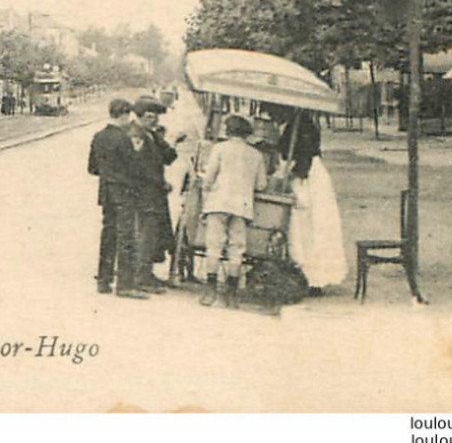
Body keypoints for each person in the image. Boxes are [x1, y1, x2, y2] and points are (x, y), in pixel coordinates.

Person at [197, 114, 269, 308]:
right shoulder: (256, 155)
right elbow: (262, 185)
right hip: (242, 206)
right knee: (237, 250)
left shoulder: (219, 149)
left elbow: (208, 177)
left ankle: (210, 292)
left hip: (218, 203)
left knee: (214, 247)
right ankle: (232, 295)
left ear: (228, 131)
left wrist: (206, 188)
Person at [279, 111, 346, 293]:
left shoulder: (302, 126)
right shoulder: (296, 124)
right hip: (305, 176)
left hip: (309, 179)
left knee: (310, 226)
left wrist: (290, 174)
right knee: (305, 227)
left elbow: (305, 158)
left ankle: (314, 279)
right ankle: (307, 275)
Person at [88, 98, 137, 294]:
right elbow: (133, 168)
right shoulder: (124, 139)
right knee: (125, 237)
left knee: (108, 235)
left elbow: (92, 168)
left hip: (106, 192)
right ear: (124, 114)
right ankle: (125, 286)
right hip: (124, 192)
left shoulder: (98, 136)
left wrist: (108, 175)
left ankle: (104, 280)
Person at [131, 98, 180, 287]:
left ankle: (147, 273)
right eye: (150, 116)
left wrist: (170, 141)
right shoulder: (137, 135)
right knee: (144, 234)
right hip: (144, 193)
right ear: (140, 116)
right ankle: (140, 277)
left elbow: (168, 158)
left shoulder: (149, 135)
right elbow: (140, 167)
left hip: (153, 193)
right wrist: (161, 182)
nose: (155, 120)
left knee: (152, 234)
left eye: (156, 117)